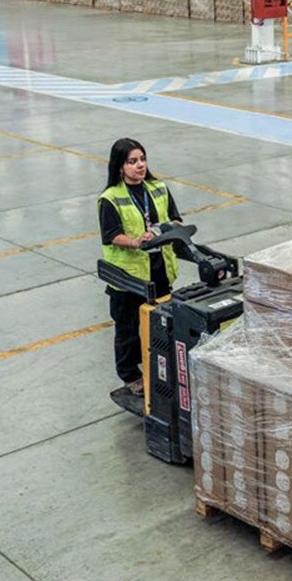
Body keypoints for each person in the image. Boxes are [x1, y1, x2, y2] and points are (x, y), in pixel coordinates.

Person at [97, 137, 182, 395]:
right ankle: (130, 375)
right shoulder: (110, 198)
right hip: (129, 277)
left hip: (158, 268)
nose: (140, 166)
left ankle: (159, 367)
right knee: (128, 329)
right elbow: (111, 235)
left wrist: (163, 230)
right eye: (132, 162)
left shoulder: (158, 188)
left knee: (161, 323)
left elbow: (176, 219)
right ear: (120, 167)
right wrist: (136, 241)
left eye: (142, 160)